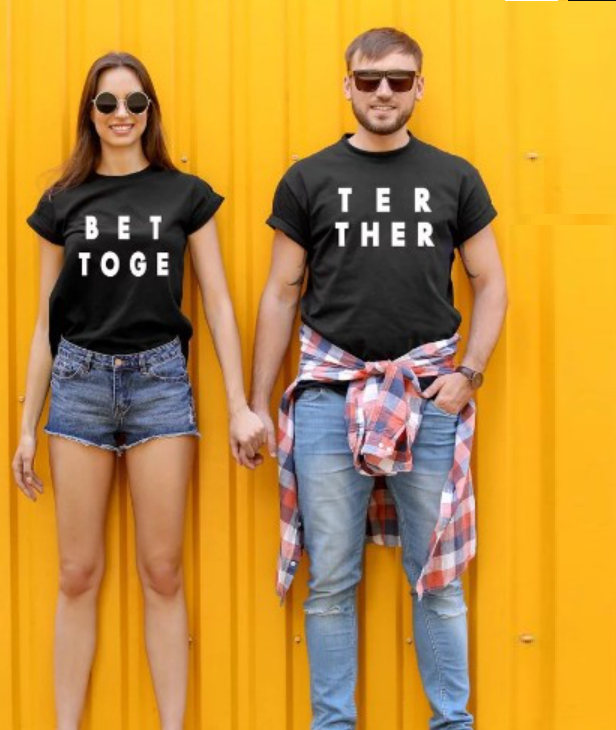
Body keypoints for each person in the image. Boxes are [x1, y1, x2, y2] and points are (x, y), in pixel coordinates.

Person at [249, 27, 508, 730]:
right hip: (330, 395)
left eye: (398, 79)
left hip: (429, 394)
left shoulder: (455, 177)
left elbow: (491, 281)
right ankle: (334, 725)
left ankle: (451, 723)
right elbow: (281, 291)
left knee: (437, 579)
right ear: (348, 87)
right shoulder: (308, 178)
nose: (384, 92)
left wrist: (469, 375)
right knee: (332, 579)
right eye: (369, 80)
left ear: (419, 86)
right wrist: (256, 402)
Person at [11, 51, 265, 730]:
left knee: (162, 572)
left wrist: (239, 405)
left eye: (134, 102)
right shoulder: (61, 202)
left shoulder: (185, 195)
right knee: (77, 574)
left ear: (150, 111)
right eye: (107, 103)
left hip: (160, 385)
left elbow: (217, 303)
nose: (121, 114)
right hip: (79, 384)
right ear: (89, 113)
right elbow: (46, 322)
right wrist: (27, 425)